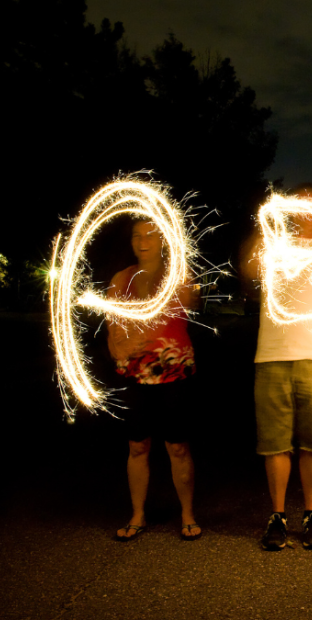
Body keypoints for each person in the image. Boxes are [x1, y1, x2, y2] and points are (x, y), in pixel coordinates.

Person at [240, 183, 312, 551]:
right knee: (275, 444)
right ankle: (278, 515)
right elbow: (248, 268)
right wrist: (264, 221)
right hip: (271, 357)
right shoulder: (272, 248)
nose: (309, 212)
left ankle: (311, 513)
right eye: (302, 205)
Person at [108, 219, 201, 542]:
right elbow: (113, 329)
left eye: (151, 235)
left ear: (164, 241)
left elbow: (190, 301)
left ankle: (187, 514)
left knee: (177, 446)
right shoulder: (121, 279)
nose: (143, 240)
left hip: (175, 372)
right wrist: (120, 349)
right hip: (135, 375)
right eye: (137, 235)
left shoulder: (179, 275)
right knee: (137, 446)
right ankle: (138, 514)